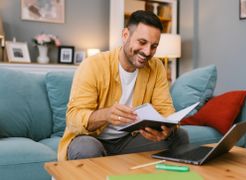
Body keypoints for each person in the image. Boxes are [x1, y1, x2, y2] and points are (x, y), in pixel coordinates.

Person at [58, 10, 189, 161]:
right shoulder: (92, 65)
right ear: (125, 35)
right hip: (93, 139)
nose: (147, 52)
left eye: (154, 46)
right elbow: (73, 118)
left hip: (129, 140)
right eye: (142, 42)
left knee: (179, 136)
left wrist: (168, 129)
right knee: (86, 148)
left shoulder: (157, 67)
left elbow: (166, 110)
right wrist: (106, 114)